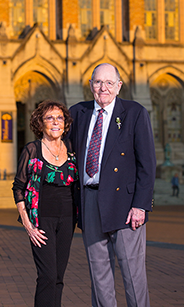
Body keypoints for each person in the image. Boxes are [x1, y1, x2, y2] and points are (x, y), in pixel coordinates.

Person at [68, 63, 156, 307]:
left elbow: (147, 164)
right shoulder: (78, 113)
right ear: (90, 86)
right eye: (97, 82)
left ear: (119, 86)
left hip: (126, 206)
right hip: (90, 201)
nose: (103, 88)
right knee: (99, 277)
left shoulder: (135, 112)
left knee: (133, 276)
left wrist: (141, 205)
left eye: (108, 82)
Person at [12, 100, 78, 307]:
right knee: (47, 276)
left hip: (67, 221)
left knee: (58, 276)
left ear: (65, 123)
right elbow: (18, 188)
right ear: (40, 123)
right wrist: (28, 224)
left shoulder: (72, 151)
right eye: (49, 118)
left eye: (60, 118)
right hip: (41, 222)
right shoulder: (32, 150)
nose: (55, 122)